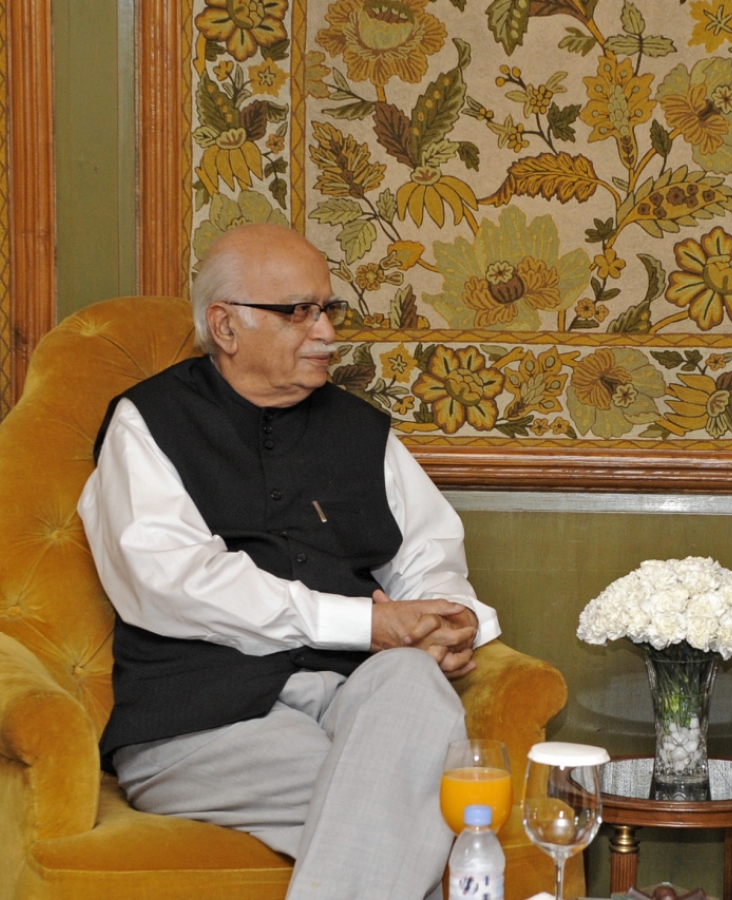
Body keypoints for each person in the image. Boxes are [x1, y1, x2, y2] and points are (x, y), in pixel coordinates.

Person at [77, 223, 498, 900]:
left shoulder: (361, 430)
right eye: (298, 311)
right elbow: (174, 584)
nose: (326, 332)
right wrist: (366, 625)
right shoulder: (147, 423)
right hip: (200, 722)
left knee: (412, 686)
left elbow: (430, 551)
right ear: (226, 326)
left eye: (329, 308)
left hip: (347, 700)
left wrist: (447, 617)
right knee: (417, 797)